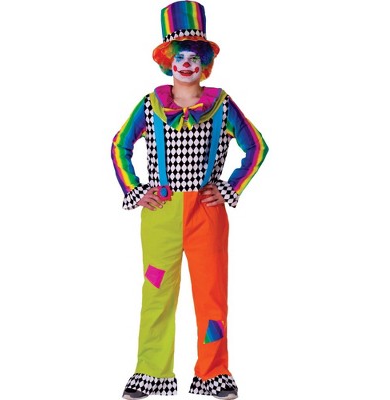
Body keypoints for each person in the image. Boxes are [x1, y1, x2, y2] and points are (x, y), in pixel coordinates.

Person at [111, 2, 268, 399]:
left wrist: (229, 188)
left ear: (205, 64)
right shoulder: (151, 105)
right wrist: (136, 190)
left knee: (211, 293)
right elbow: (119, 146)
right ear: (169, 62)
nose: (186, 64)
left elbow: (257, 147)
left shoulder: (222, 105)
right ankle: (150, 371)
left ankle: (214, 372)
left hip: (207, 214)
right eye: (179, 57)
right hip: (161, 214)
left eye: (194, 57)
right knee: (157, 292)